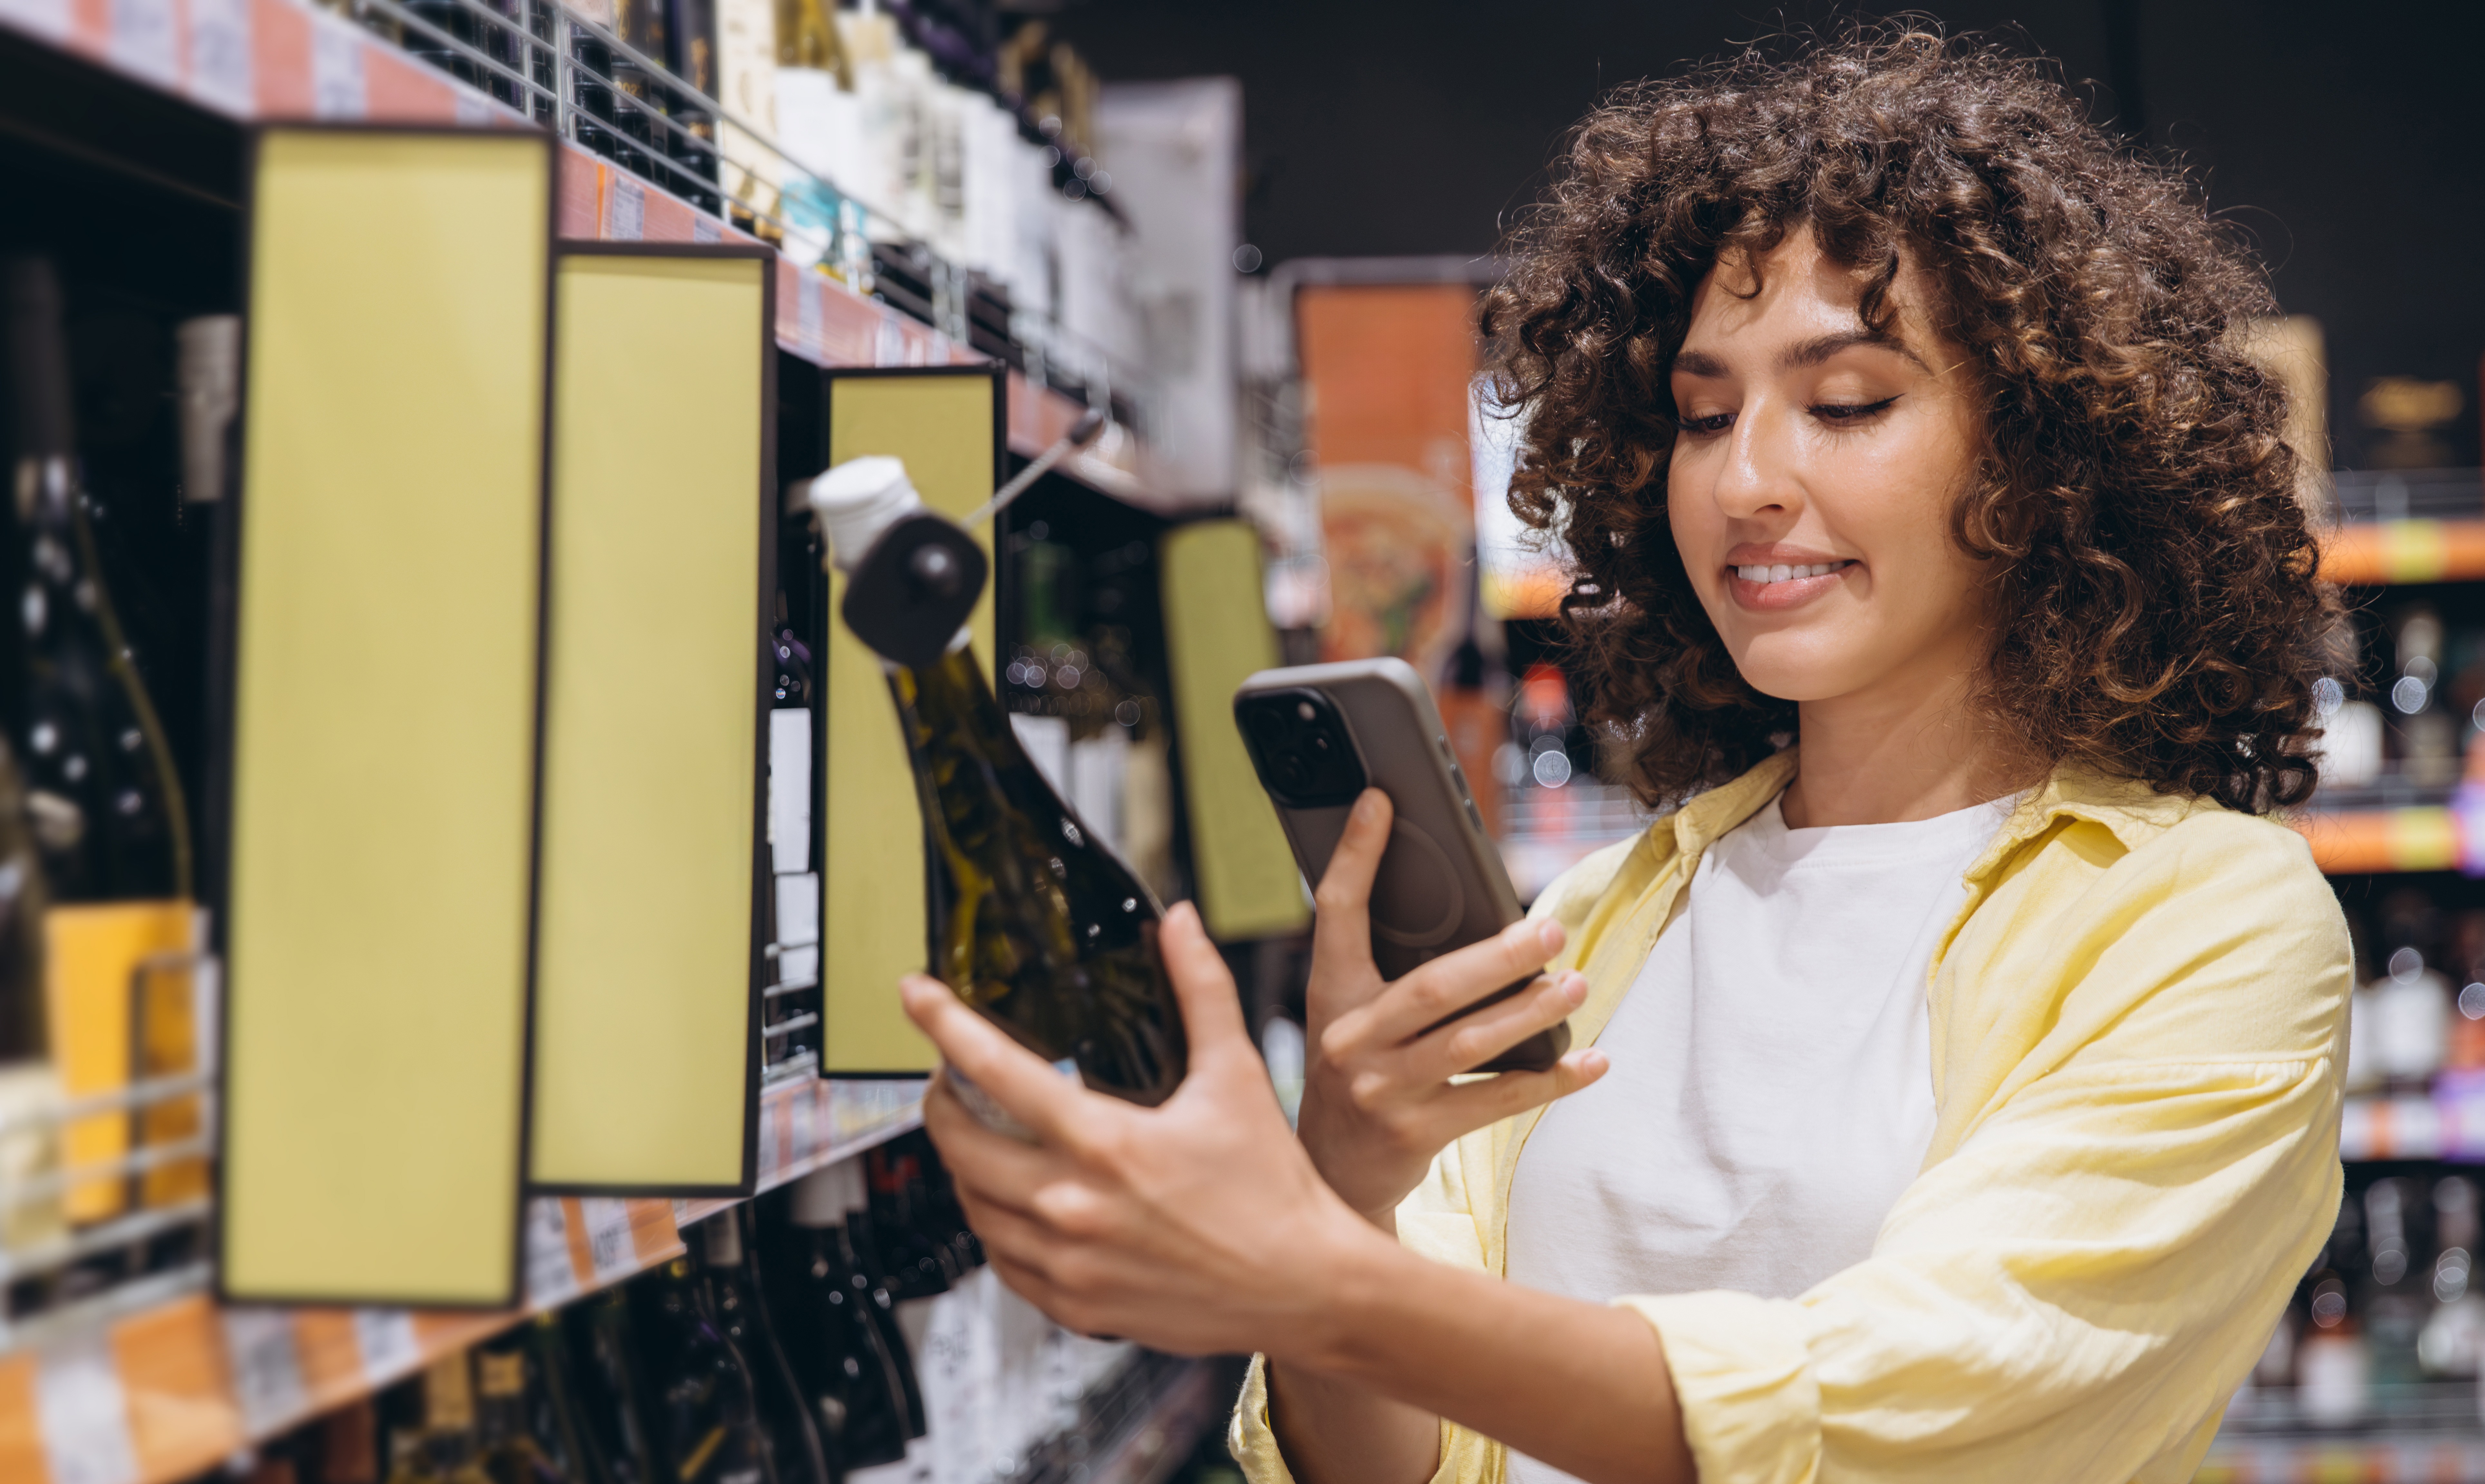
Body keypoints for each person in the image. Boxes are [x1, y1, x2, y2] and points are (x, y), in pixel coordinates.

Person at [898, 27, 2351, 1484]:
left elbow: (1904, 1409)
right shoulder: (1595, 925)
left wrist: (1313, 1281)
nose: (1743, 481)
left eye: (1845, 403)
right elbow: (1405, 1467)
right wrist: (1346, 1178)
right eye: (1701, 416)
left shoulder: (2205, 923)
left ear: (2045, 463)